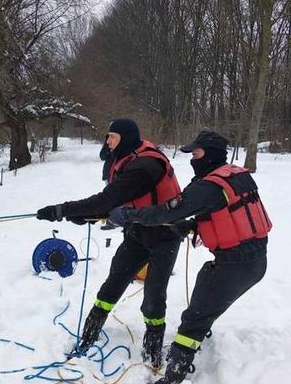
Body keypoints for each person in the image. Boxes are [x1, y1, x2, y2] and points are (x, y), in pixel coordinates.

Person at [107, 130, 271, 384]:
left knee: (193, 319)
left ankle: (172, 380)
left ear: (212, 154)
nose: (192, 159)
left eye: (196, 153)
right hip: (254, 260)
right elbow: (232, 213)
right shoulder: (235, 175)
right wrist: (195, 225)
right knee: (205, 295)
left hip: (236, 264)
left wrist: (126, 215)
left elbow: (164, 211)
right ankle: (197, 335)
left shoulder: (208, 186)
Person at [36, 118, 182, 368]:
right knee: (111, 286)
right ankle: (87, 337)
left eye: (112, 137)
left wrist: (62, 210)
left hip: (164, 235)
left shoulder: (144, 166)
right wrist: (81, 216)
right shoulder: (128, 157)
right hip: (137, 233)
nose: (107, 142)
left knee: (154, 298)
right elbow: (118, 203)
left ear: (125, 138)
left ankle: (152, 353)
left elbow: (107, 200)